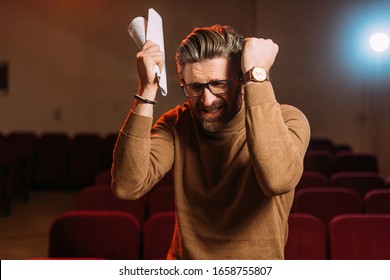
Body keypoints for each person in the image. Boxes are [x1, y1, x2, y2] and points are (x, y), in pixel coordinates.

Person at [111, 24, 310, 259]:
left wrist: (258, 75)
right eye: (195, 87)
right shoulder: (177, 124)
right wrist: (147, 89)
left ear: (241, 79)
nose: (207, 100)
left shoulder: (288, 119)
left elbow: (278, 180)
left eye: (219, 85)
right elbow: (127, 186)